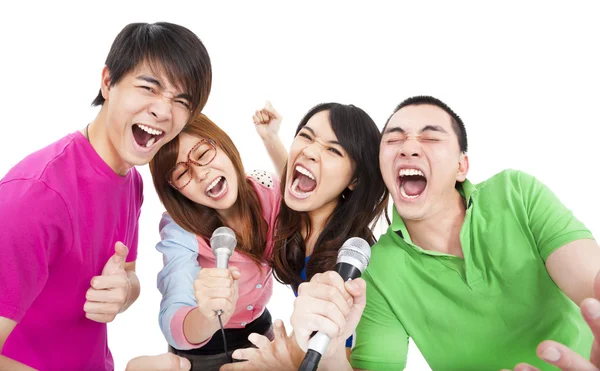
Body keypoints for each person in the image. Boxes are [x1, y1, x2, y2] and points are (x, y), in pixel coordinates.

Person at [288, 95, 600, 370]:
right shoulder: (378, 270)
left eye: (431, 138)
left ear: (462, 166)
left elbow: (592, 283)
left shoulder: (517, 193)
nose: (409, 147)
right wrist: (330, 354)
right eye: (393, 139)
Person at [0, 22, 211, 370]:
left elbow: (127, 274)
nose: (163, 110)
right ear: (108, 82)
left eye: (180, 100)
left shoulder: (131, 182)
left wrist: (124, 291)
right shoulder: (35, 197)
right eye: (148, 87)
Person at [218, 101, 388, 370]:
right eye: (306, 136)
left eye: (333, 150)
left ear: (354, 180)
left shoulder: (351, 264)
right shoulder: (300, 213)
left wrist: (286, 362)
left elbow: (344, 357)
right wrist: (271, 137)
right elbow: (293, 174)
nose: (309, 151)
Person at [149, 114, 281, 371]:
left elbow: (308, 210)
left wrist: (272, 140)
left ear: (222, 143)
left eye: (202, 154)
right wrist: (207, 315)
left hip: (261, 333)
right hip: (202, 353)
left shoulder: (267, 190)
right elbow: (172, 317)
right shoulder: (180, 230)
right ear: (176, 190)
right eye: (182, 173)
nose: (200, 173)